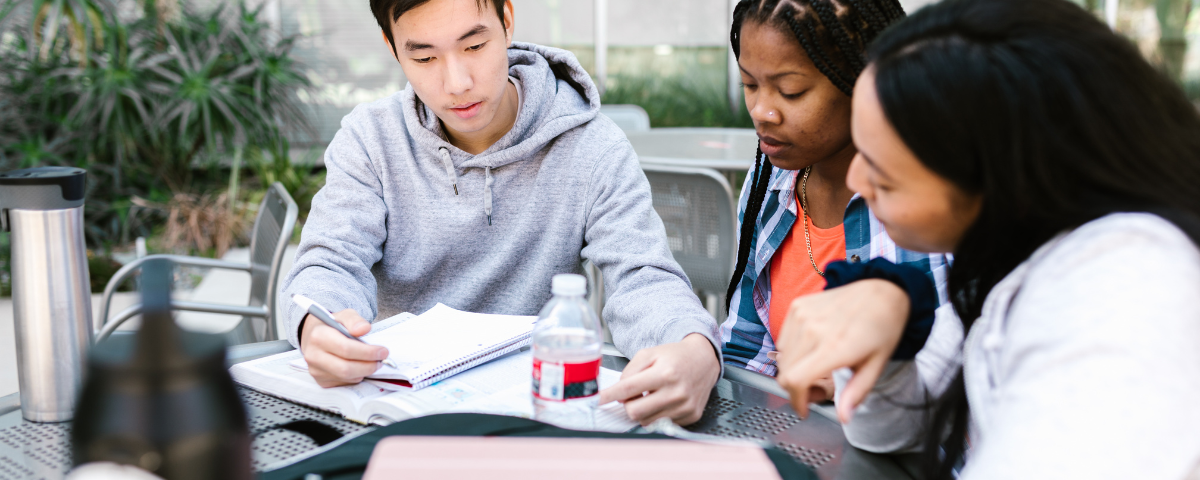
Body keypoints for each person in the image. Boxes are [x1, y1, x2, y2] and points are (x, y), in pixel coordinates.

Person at [774, 0, 1200, 478]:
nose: (858, 179)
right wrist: (890, 331)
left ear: (1004, 180)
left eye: (885, 174)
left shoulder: (1128, 291)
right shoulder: (1005, 253)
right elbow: (889, 431)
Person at [281, 0, 721, 426]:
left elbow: (643, 277)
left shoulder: (592, 147)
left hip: (536, 411)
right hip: (399, 409)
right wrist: (319, 326)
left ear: (507, 19)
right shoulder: (370, 140)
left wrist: (695, 346)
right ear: (392, 47)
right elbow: (329, 260)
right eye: (425, 57)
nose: (456, 82)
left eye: (474, 47)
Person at [720, 0, 950, 396]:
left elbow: (972, 360)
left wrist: (865, 379)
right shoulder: (769, 182)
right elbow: (745, 348)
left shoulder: (939, 195)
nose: (761, 111)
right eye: (750, 84)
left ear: (865, 81)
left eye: (790, 91)